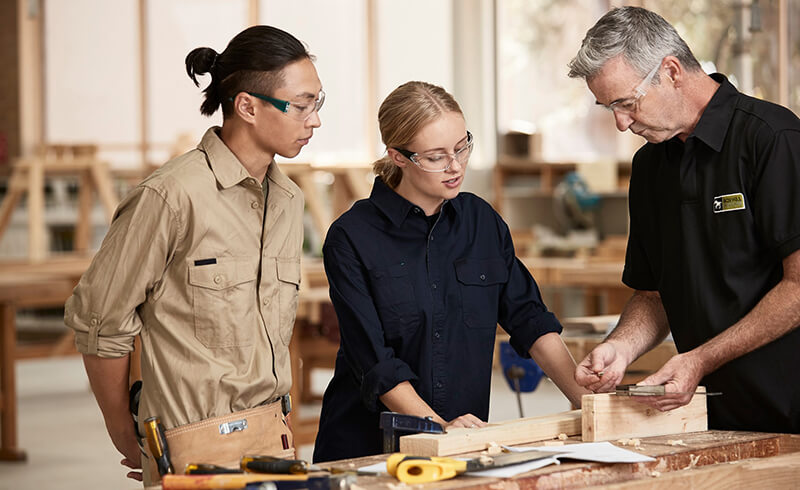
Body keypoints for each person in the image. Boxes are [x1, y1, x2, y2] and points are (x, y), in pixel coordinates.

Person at [64, 25, 324, 485]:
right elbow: (100, 321)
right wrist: (124, 431)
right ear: (246, 106)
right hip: (193, 444)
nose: (314, 120)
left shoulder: (288, 200)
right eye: (301, 106)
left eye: (317, 104)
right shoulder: (169, 197)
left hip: (275, 435)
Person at [312, 81, 589, 462]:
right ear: (398, 157)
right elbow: (376, 362)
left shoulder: (481, 223)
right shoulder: (351, 237)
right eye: (436, 156)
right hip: (368, 451)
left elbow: (531, 319)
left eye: (462, 147)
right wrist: (439, 428)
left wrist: (590, 405)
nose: (456, 165)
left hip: (462, 445)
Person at [567, 6, 800, 433]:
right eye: (608, 109)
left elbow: (799, 287)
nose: (621, 124)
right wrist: (620, 347)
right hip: (705, 420)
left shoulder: (772, 139)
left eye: (626, 102)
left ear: (671, 71)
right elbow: (655, 294)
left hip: (789, 414)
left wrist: (700, 359)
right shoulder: (650, 167)